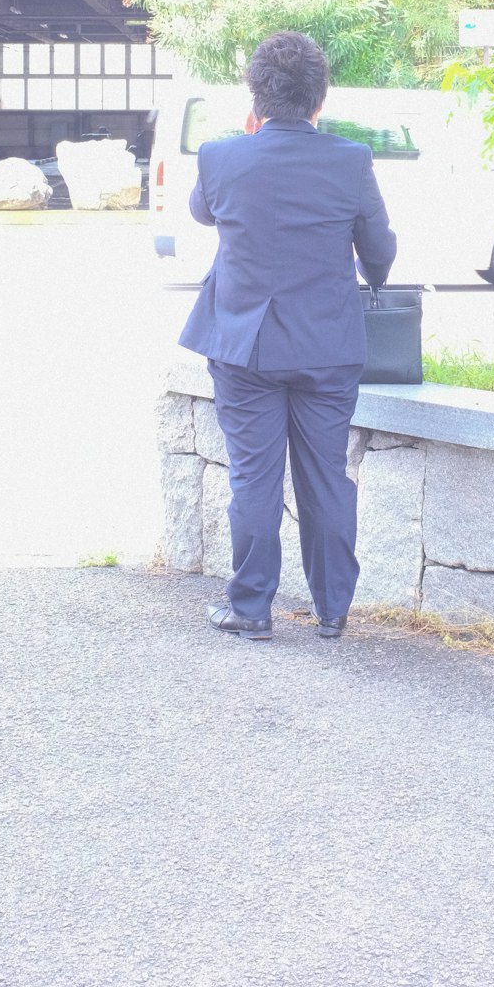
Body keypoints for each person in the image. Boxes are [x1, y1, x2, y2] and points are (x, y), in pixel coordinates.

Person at [179, 31, 397, 641]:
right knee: (325, 476)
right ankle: (332, 609)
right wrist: (373, 275)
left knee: (253, 478)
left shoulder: (222, 157)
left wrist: (247, 144)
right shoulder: (350, 160)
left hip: (243, 345)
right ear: (319, 100)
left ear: (256, 97)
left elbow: (203, 212)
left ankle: (250, 609)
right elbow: (379, 249)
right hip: (327, 346)